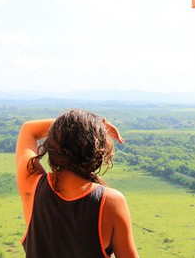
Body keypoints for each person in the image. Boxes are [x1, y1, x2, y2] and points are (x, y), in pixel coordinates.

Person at [16, 109, 140, 258]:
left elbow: (28, 129)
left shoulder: (32, 184)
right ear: (96, 152)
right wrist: (94, 128)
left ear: (53, 145)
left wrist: (84, 127)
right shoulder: (110, 202)